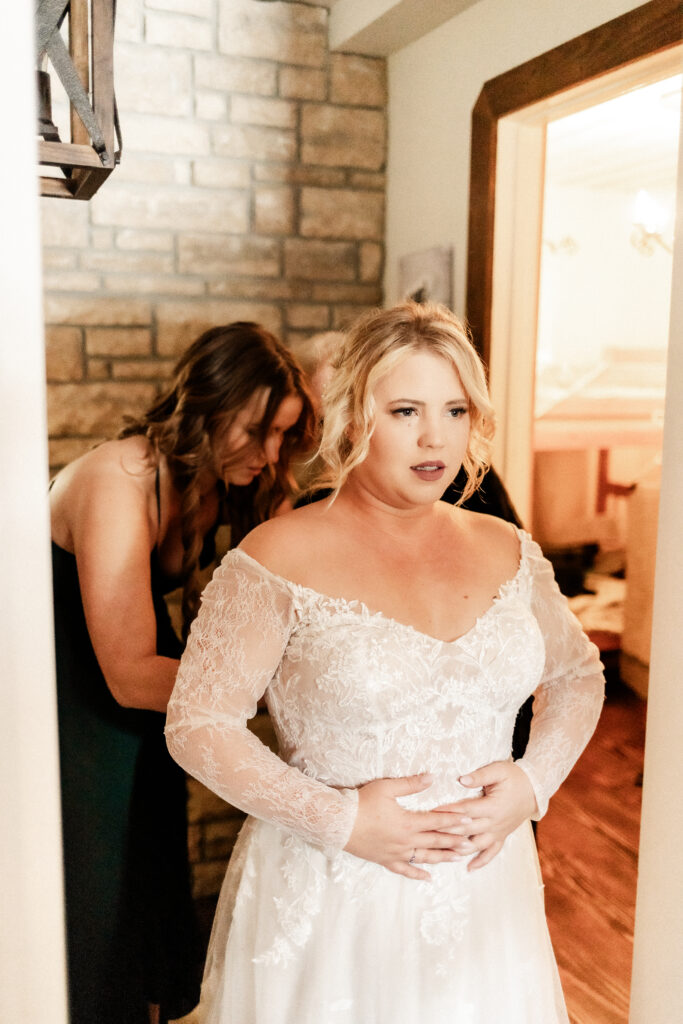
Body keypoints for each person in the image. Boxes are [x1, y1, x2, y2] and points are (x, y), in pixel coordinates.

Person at [165, 301, 605, 1023]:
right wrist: (340, 820)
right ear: (351, 416)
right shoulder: (274, 558)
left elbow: (576, 676)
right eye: (404, 410)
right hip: (333, 896)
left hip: (483, 892)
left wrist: (532, 781)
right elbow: (198, 723)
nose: (435, 436)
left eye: (455, 409)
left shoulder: (507, 548)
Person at [49, 322, 315, 1024]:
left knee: (149, 882)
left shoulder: (213, 479)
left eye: (283, 435)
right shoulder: (119, 477)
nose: (268, 454)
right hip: (78, 698)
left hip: (147, 710)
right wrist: (282, 685)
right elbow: (130, 673)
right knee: (97, 899)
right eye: (257, 432)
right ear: (206, 404)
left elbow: (289, 563)